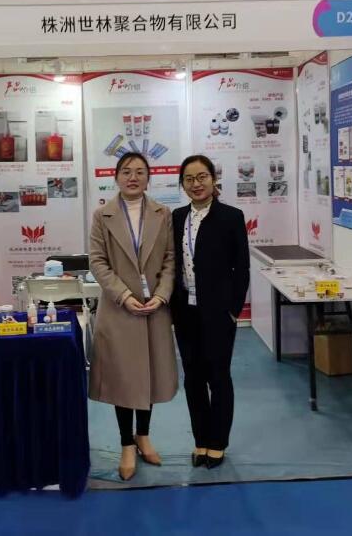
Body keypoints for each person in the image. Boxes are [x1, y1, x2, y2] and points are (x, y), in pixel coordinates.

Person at [89, 152, 178, 481]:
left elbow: (170, 259)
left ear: (148, 178)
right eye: (126, 171)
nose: (133, 177)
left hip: (154, 308)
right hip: (119, 309)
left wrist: (161, 295)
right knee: (123, 378)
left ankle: (144, 436)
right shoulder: (103, 215)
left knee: (149, 374)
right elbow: (97, 261)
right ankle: (126, 443)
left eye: (140, 172)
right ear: (116, 177)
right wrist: (124, 295)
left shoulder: (162, 213)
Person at [171, 154, 250, 469]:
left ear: (213, 179)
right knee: (192, 379)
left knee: (218, 377)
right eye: (189, 179)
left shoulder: (231, 217)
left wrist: (233, 311)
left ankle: (218, 443)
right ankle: (201, 440)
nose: (196, 184)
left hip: (218, 313)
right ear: (183, 184)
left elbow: (241, 268)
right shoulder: (177, 217)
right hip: (185, 312)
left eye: (201, 177)